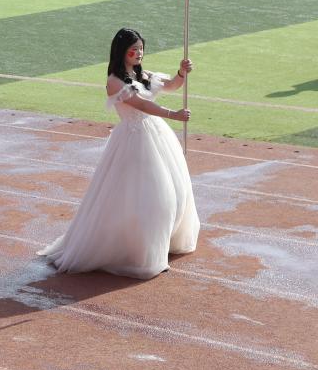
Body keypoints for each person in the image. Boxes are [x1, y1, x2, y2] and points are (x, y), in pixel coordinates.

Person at [39, 27, 198, 279]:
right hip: (135, 142)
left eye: (141, 48)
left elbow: (171, 85)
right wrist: (173, 114)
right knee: (148, 197)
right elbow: (141, 105)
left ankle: (160, 243)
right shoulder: (114, 81)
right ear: (122, 51)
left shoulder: (143, 74)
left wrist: (181, 72)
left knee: (173, 191)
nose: (139, 53)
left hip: (158, 138)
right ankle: (139, 252)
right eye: (134, 49)